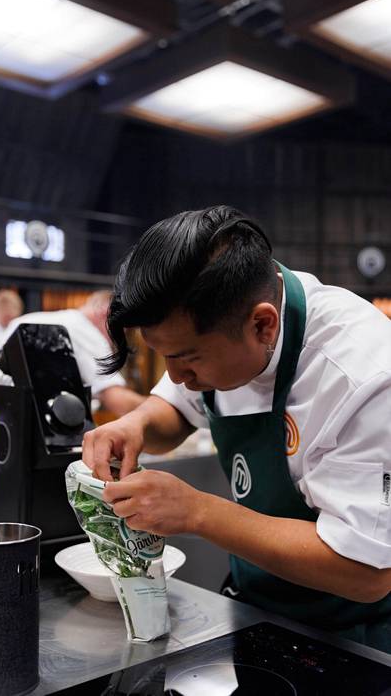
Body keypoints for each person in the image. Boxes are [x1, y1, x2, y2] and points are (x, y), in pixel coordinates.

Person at [82, 205, 391, 653]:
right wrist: (136, 424)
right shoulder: (219, 321)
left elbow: (365, 573)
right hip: (258, 609)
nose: (177, 375)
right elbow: (175, 410)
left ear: (263, 325)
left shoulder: (361, 375)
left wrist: (197, 512)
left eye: (187, 359)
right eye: (164, 356)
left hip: (356, 637)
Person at [0, 290, 145, 494]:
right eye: (122, 330)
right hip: (15, 422)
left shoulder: (35, 318)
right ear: (106, 312)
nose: (119, 338)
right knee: (7, 508)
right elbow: (116, 398)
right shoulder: (83, 329)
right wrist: (160, 409)